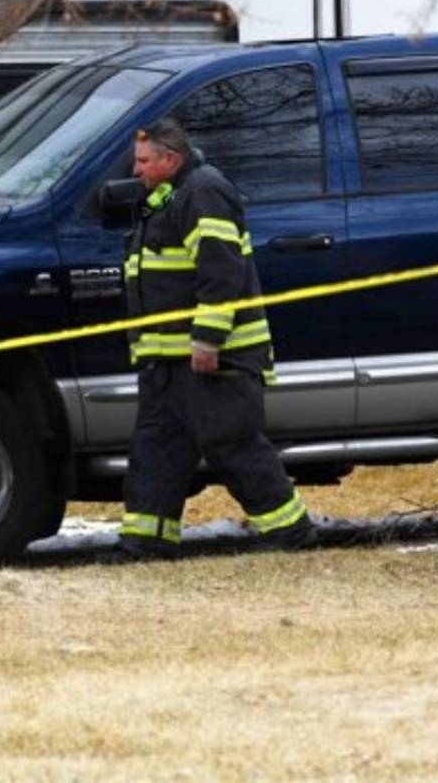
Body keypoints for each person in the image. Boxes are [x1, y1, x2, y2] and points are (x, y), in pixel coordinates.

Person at [114, 116, 315, 559]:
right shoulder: (167, 196)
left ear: (171, 159)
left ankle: (291, 532)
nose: (136, 170)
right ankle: (146, 541)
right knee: (157, 451)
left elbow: (221, 272)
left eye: (144, 161)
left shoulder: (203, 191)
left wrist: (207, 339)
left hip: (214, 358)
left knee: (233, 444)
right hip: (166, 360)